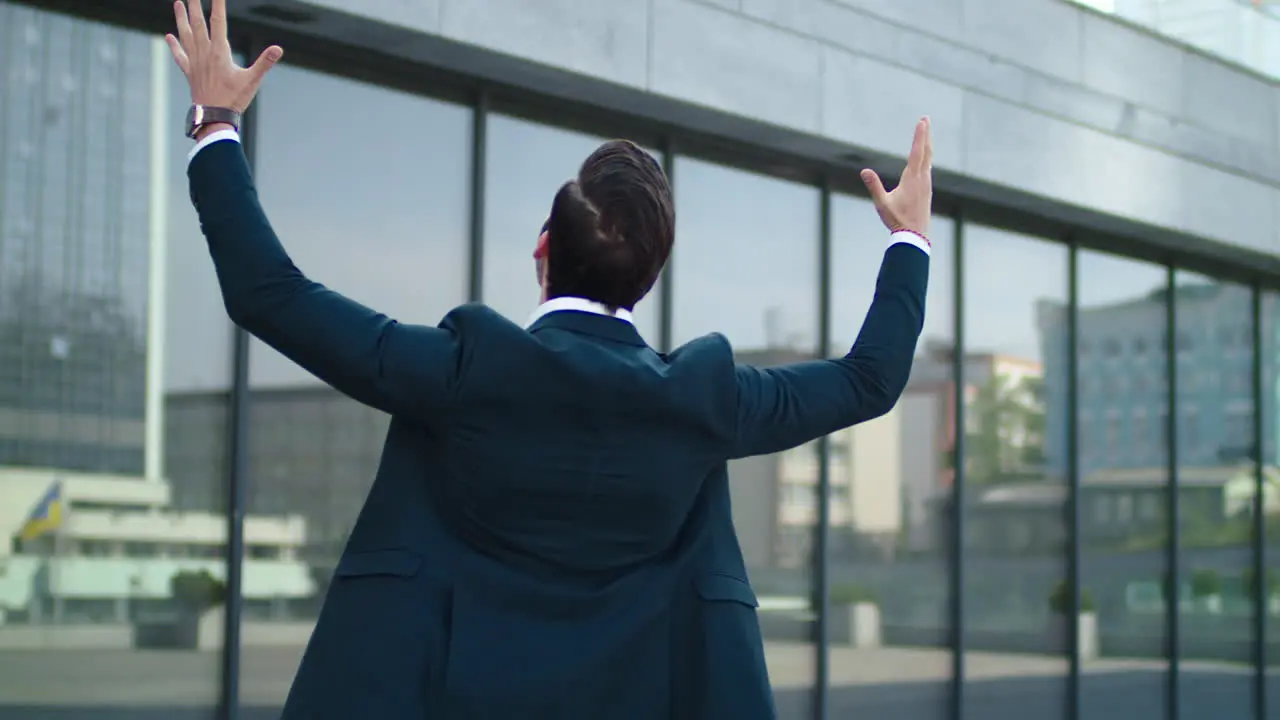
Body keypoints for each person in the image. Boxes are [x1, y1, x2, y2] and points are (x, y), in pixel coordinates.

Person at [165, 1, 933, 717]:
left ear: (542, 252)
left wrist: (215, 125)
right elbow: (869, 380)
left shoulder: (464, 370)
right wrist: (909, 239)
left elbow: (271, 295)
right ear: (650, 276)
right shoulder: (705, 400)